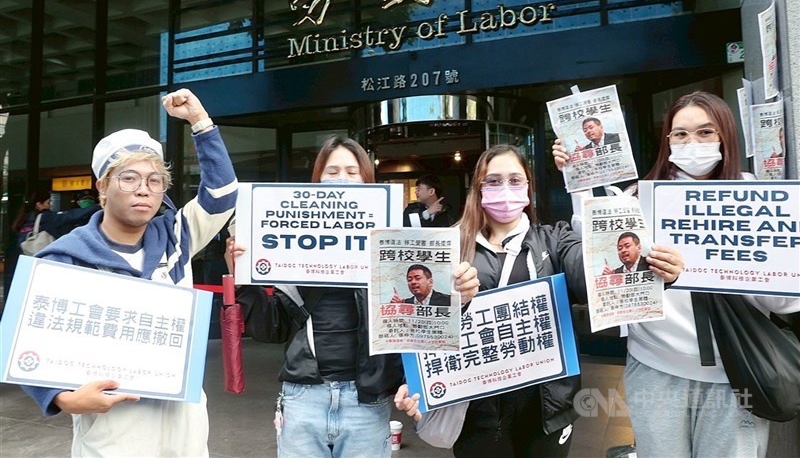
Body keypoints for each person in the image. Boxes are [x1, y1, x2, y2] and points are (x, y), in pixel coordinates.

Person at [554, 90, 800, 457]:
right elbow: (594, 240)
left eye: (705, 132)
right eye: (680, 134)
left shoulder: (757, 198)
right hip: (655, 367)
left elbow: (784, 300)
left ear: (725, 136)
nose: (692, 143)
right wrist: (576, 175)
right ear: (667, 140)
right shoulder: (639, 198)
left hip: (737, 372)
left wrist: (714, 265)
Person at [396, 144, 684, 457]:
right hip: (476, 413)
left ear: (529, 188)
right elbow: (417, 324)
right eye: (493, 181)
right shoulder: (450, 248)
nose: (504, 189)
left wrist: (653, 272)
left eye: (514, 180)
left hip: (548, 410)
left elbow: (591, 278)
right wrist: (414, 380)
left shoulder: (555, 238)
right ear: (477, 189)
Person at [228, 136, 479, 458]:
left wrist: (461, 295)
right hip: (303, 397)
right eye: (331, 172)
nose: (342, 179)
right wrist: (243, 276)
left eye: (352, 170)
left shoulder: (394, 246)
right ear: (316, 181)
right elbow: (270, 328)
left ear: (368, 181)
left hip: (366, 401)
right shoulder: (289, 250)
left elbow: (421, 323)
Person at [21, 88, 238, 457]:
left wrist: (201, 123)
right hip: (114, 426)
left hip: (182, 421)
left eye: (154, 181)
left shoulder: (176, 235)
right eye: (129, 179)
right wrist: (63, 398)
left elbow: (222, 195)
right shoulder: (66, 259)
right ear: (102, 187)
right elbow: (24, 345)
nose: (144, 190)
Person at [5, 190, 100, 304]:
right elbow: (71, 215)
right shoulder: (46, 217)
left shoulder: (23, 219)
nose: (50, 205)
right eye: (48, 202)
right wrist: (98, 207)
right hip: (45, 263)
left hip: (27, 262)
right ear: (38, 204)